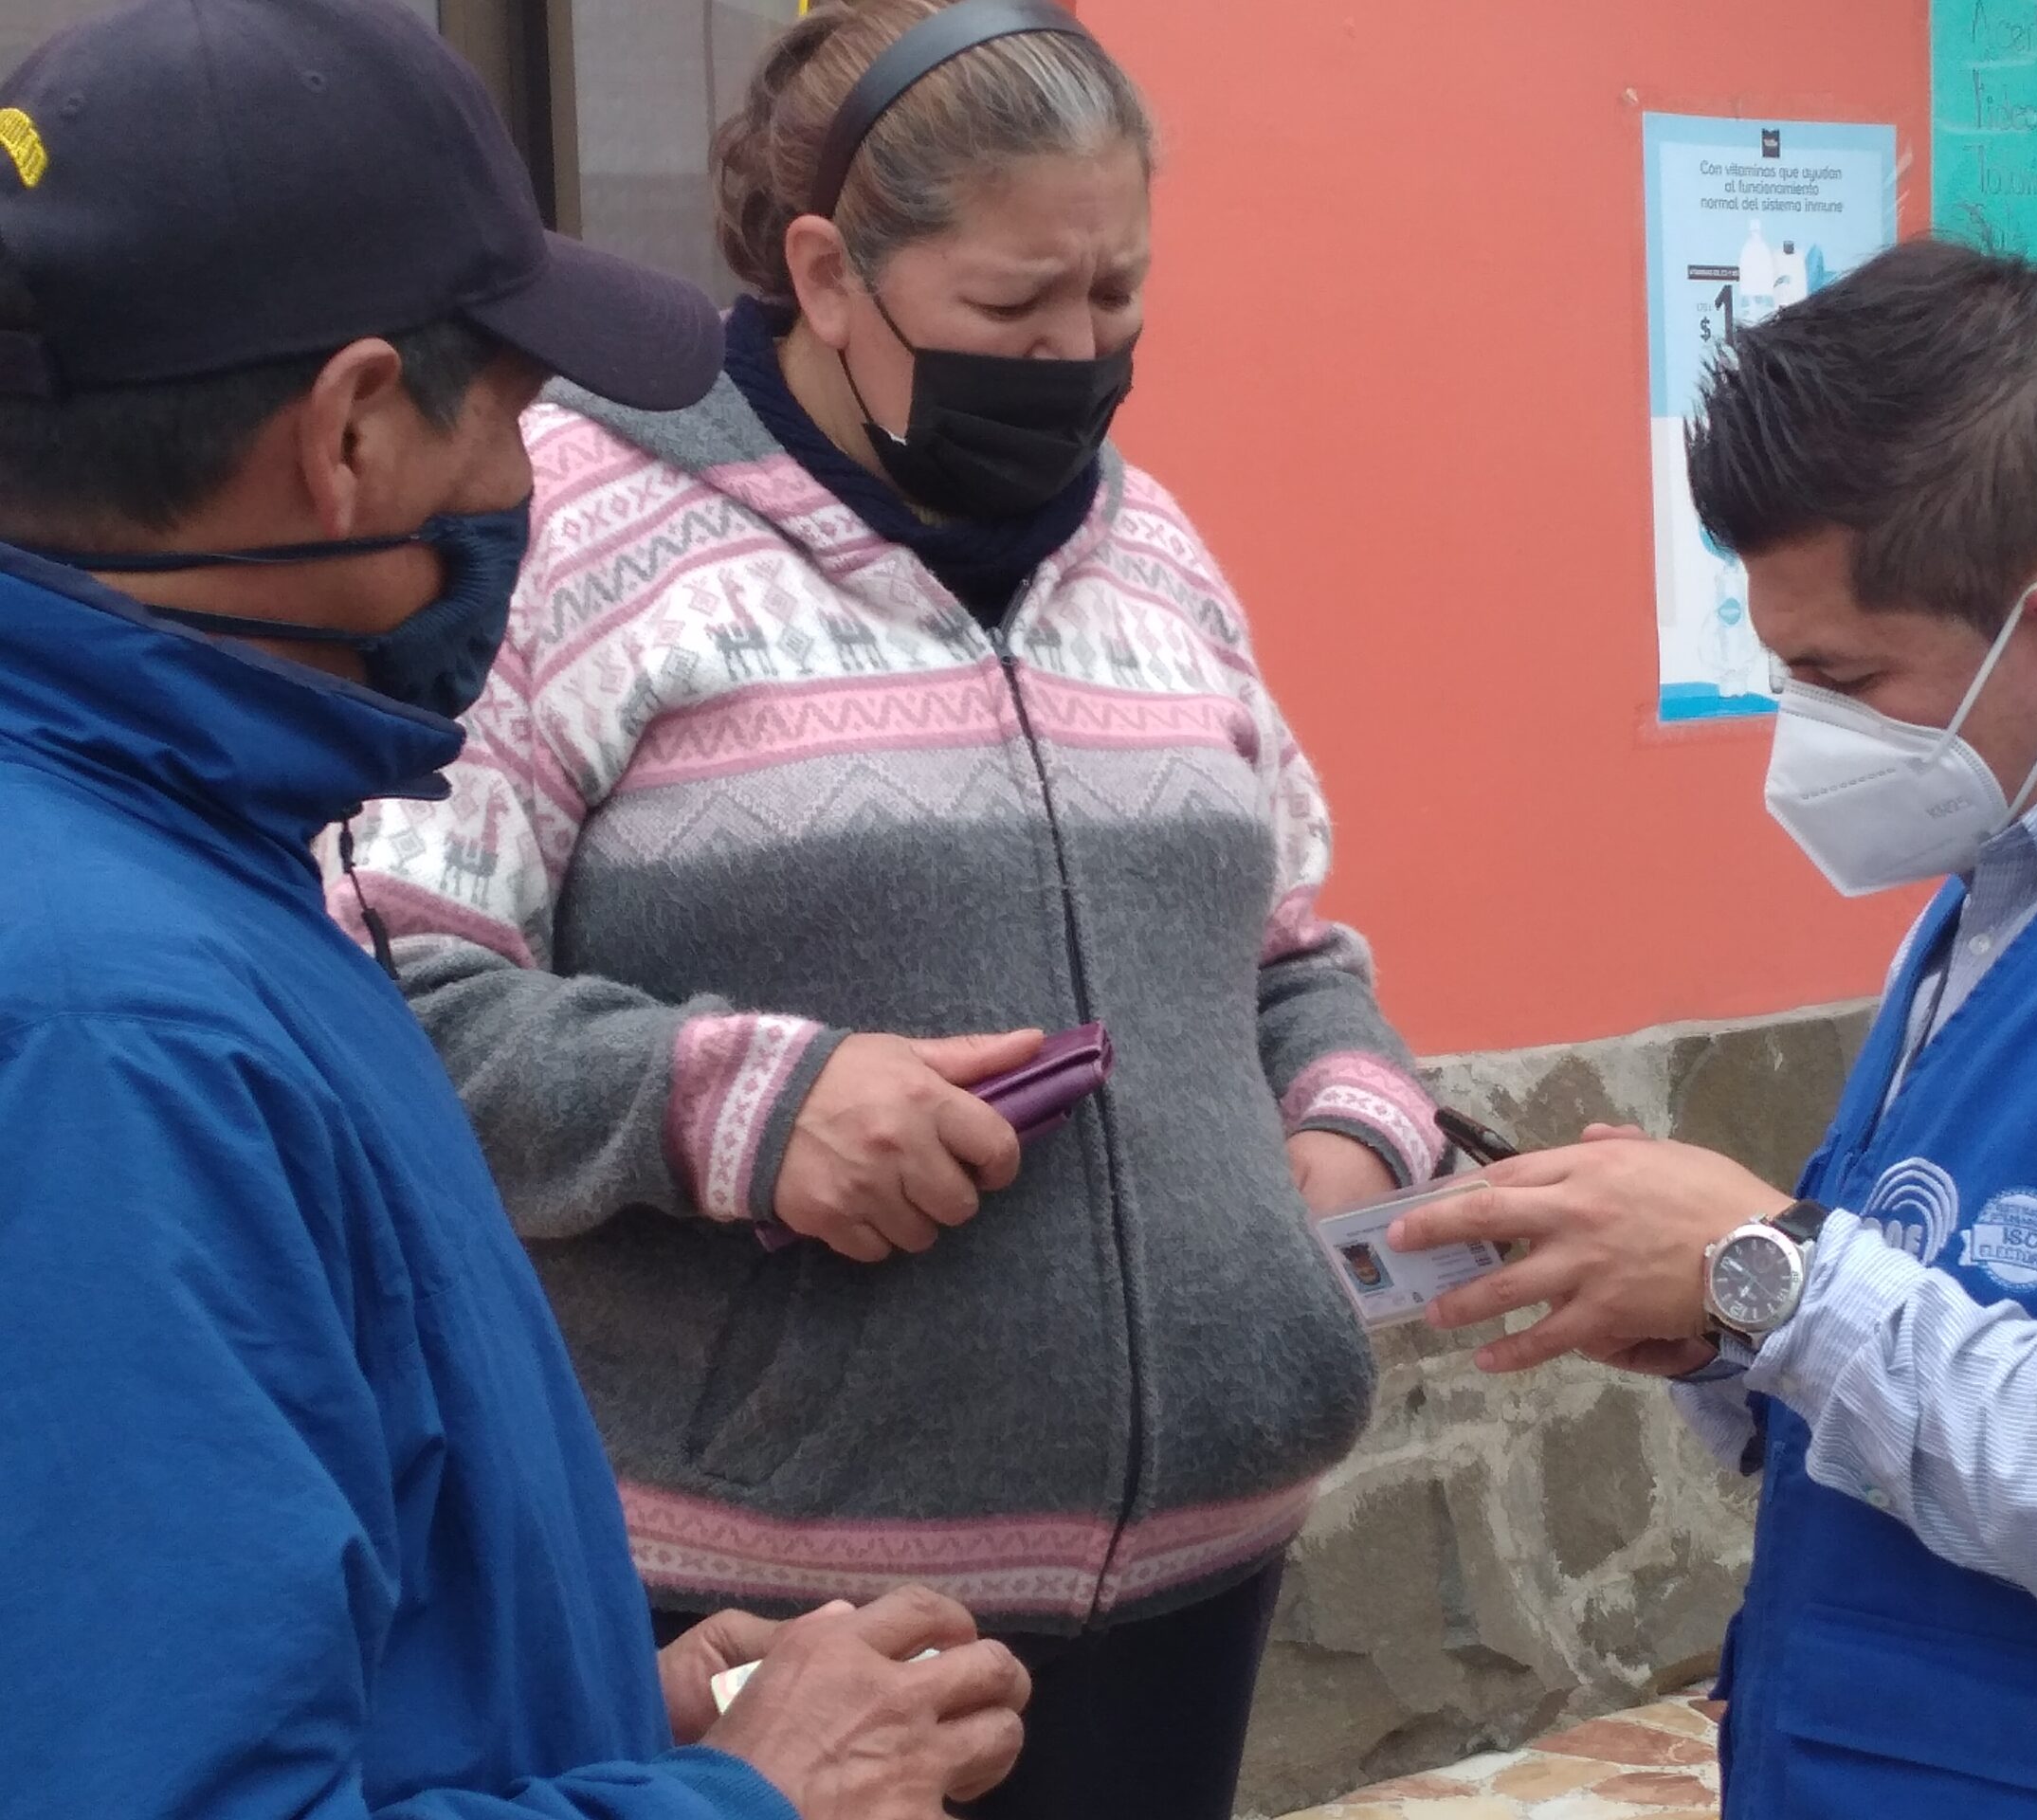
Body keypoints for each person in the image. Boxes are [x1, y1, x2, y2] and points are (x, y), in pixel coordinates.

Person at [337, 3, 1442, 1814]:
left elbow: (1294, 952)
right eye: (1017, 308)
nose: (1079, 356)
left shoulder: (1154, 552)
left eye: (1119, 297)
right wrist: (742, 1111)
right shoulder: (576, 541)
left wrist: (1349, 1133)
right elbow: (392, 1004)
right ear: (827, 271)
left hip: (1205, 1577)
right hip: (778, 1615)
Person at [0, 3, 1028, 1814]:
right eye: (524, 420)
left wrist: (581, 1712)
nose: (526, 495)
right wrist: (749, 1802)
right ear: (352, 431)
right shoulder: (109, 1032)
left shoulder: (171, 859)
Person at [1393, 238, 2037, 1816]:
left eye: (1845, 675)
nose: (1806, 729)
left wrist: (1774, 1273)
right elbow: (1957, 1340)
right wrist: (1720, 1326)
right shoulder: (2009, 882)